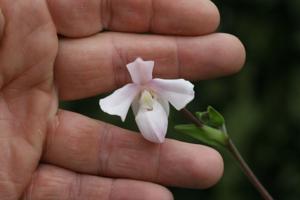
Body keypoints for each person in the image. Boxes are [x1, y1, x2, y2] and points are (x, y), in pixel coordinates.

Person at [0, 0, 245, 199]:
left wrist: (149, 99)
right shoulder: (129, 91)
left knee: (155, 116)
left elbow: (182, 91)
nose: (146, 101)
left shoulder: (164, 87)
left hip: (155, 90)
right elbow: (111, 103)